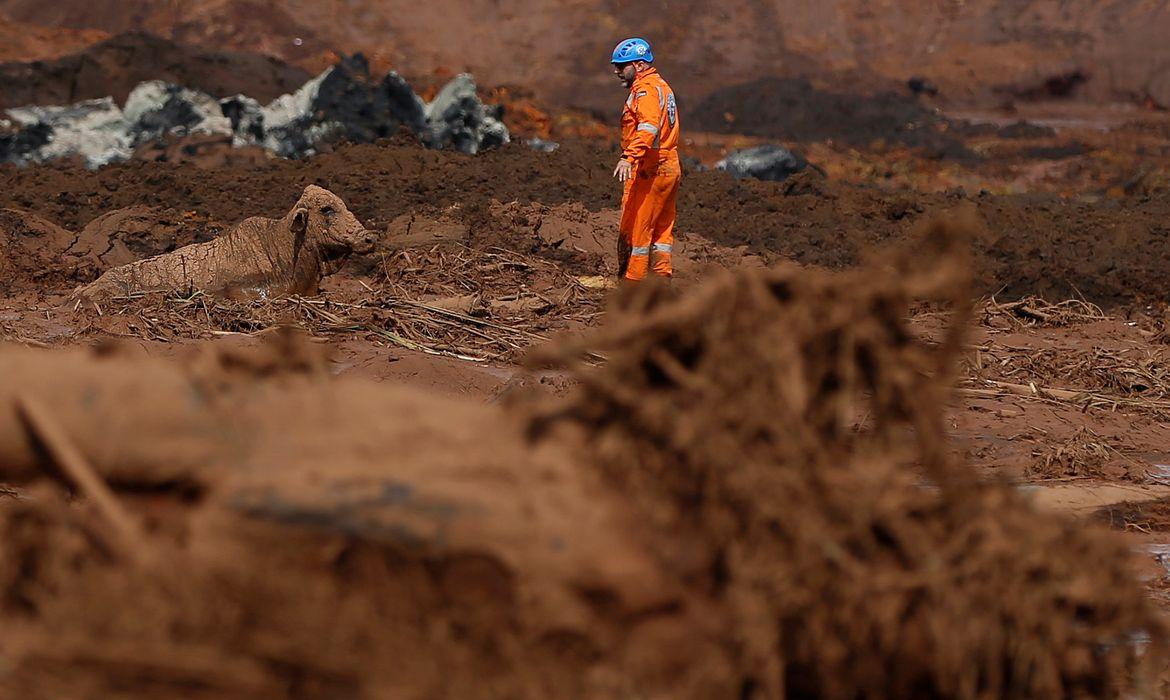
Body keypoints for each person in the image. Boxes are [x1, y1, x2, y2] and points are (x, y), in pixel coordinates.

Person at [610, 37, 681, 282]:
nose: (617, 72)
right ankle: (661, 283)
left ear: (639, 65)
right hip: (669, 164)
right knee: (662, 230)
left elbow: (648, 127)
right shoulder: (662, 86)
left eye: (622, 66)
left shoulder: (646, 90)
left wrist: (629, 157)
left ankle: (633, 288)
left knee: (640, 230)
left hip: (652, 167)